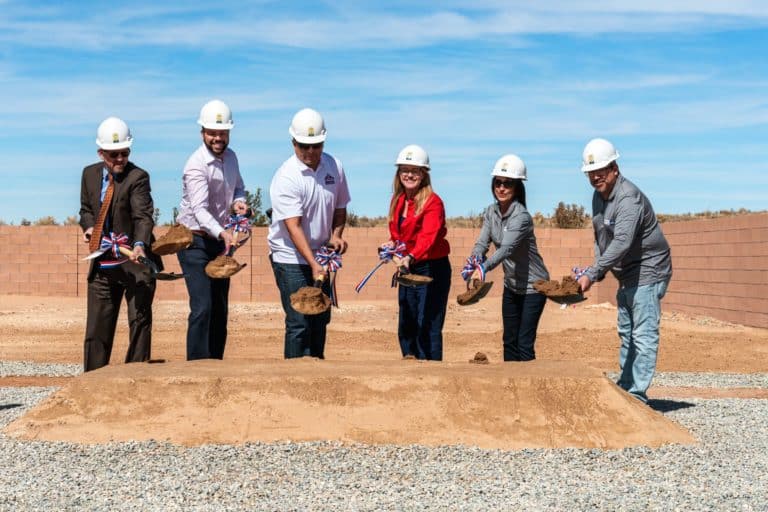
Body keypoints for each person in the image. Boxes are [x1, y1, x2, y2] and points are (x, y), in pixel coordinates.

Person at [576, 138, 672, 403]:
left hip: (649, 268)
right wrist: (597, 273)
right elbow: (601, 238)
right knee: (626, 331)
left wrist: (593, 273)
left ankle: (637, 395)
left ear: (614, 168)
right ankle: (626, 387)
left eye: (601, 171)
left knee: (643, 333)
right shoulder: (599, 197)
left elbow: (621, 242)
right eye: (591, 173)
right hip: (628, 272)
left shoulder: (628, 198)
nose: (596, 177)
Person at [79, 116, 162, 372]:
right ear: (101, 153)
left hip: (135, 264)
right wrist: (90, 228)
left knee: (139, 323)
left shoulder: (138, 177)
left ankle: (134, 379)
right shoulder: (89, 174)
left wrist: (139, 244)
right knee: (97, 330)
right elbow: (85, 210)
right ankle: (92, 383)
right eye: (113, 155)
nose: (119, 160)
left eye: (124, 153)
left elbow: (142, 216)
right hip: (103, 265)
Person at [268, 108, 351, 359]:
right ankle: (294, 378)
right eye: (304, 145)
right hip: (290, 256)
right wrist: (313, 263)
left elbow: (340, 207)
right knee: (299, 320)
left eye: (316, 145)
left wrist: (336, 235)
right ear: (293, 142)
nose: (310, 152)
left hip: (320, 255)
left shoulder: (334, 166)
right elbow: (293, 226)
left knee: (320, 316)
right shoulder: (287, 177)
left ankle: (316, 370)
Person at [176, 99, 248, 360]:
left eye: (222, 133)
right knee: (202, 306)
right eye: (212, 133)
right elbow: (200, 210)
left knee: (219, 307)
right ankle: (196, 366)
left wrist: (240, 202)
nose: (218, 138)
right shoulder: (195, 165)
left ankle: (215, 363)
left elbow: (238, 187)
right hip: (194, 241)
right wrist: (224, 232)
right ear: (202, 133)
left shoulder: (232, 158)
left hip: (219, 242)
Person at [469, 154, 549, 361]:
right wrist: (474, 262)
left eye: (508, 184)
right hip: (511, 285)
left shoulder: (521, 217)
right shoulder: (491, 212)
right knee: (509, 341)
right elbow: (482, 243)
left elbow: (506, 249)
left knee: (523, 343)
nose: (502, 188)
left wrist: (483, 269)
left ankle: (529, 389)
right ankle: (510, 387)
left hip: (534, 286)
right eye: (498, 183)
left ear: (517, 188)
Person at [384, 144, 451, 361]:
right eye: (405, 170)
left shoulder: (433, 202)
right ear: (398, 173)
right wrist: (391, 247)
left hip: (430, 268)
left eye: (415, 170)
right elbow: (398, 234)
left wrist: (410, 256)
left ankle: (431, 371)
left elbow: (428, 236)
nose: (409, 175)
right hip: (407, 267)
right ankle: (410, 365)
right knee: (407, 321)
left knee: (427, 323)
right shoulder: (398, 200)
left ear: (424, 174)